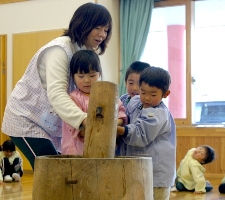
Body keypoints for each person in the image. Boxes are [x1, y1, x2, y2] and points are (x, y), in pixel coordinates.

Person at [1, 3, 112, 170]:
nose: (102, 34)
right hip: (25, 119)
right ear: (83, 24)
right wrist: (84, 120)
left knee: (63, 172)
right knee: (50, 170)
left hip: (49, 124)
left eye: (106, 29)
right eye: (98, 27)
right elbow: (57, 93)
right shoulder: (60, 50)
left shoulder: (83, 52)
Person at [117, 66, 176, 200]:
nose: (147, 98)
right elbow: (125, 113)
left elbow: (139, 134)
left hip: (157, 175)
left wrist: (115, 128)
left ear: (165, 94)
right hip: (139, 170)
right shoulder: (136, 101)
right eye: (143, 92)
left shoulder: (159, 113)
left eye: (153, 94)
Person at [61, 50, 127, 155]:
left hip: (105, 150)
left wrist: (110, 126)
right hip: (77, 153)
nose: (87, 80)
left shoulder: (108, 95)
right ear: (73, 76)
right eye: (81, 76)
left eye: (92, 76)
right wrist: (105, 130)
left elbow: (120, 115)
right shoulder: (72, 99)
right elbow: (77, 128)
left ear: (99, 73)